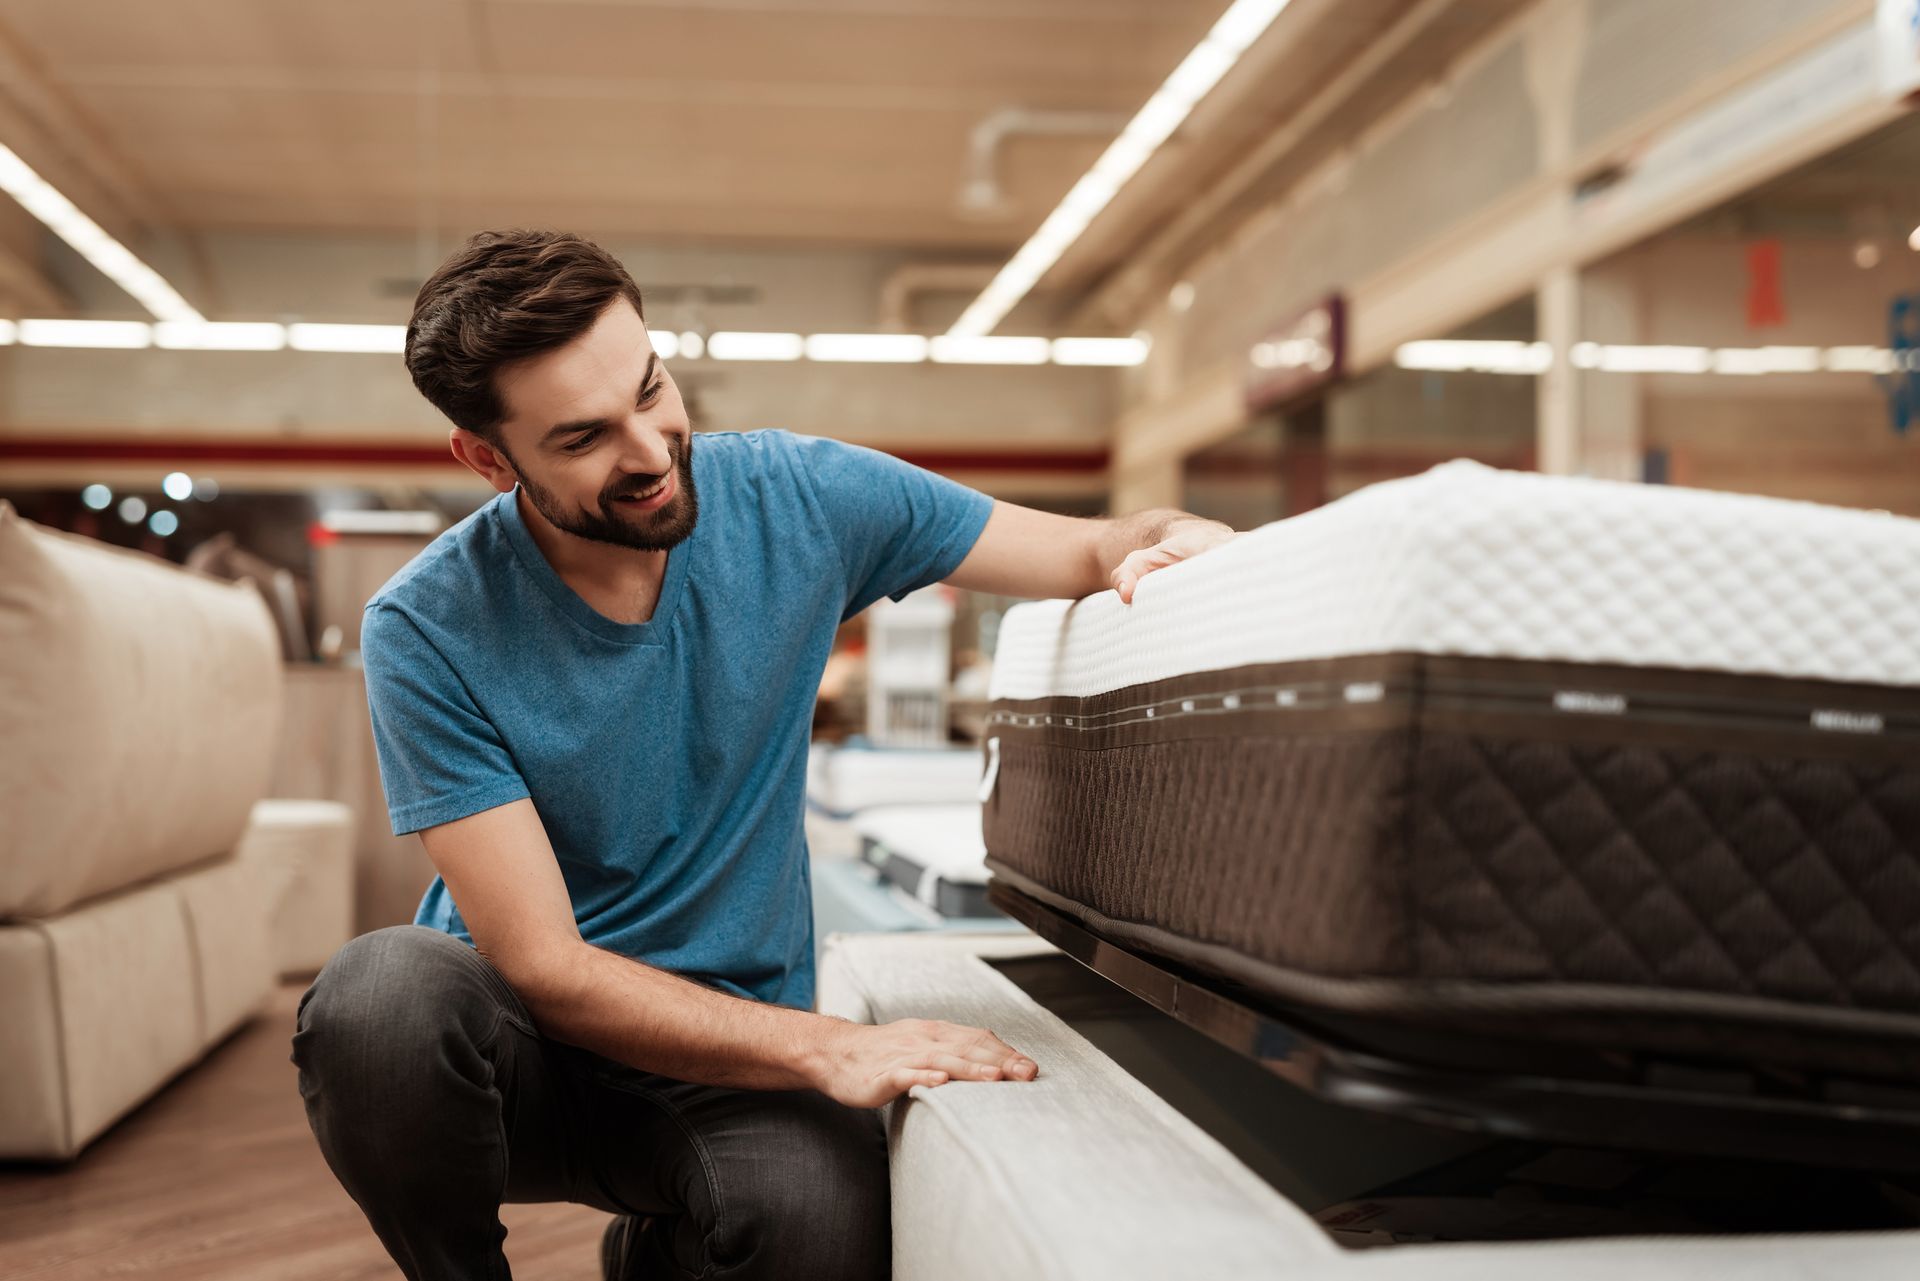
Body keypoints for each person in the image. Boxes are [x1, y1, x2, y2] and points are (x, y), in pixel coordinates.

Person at [290, 228, 1237, 1281]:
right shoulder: (426, 626)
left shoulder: (799, 499)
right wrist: (834, 1047)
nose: (649, 452)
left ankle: (658, 1245)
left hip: (726, 1065)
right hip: (522, 1068)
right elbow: (544, 968)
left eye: (652, 391)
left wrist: (1176, 541)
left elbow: (1088, 545)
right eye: (584, 438)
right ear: (487, 457)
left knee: (819, 1226)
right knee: (377, 999)